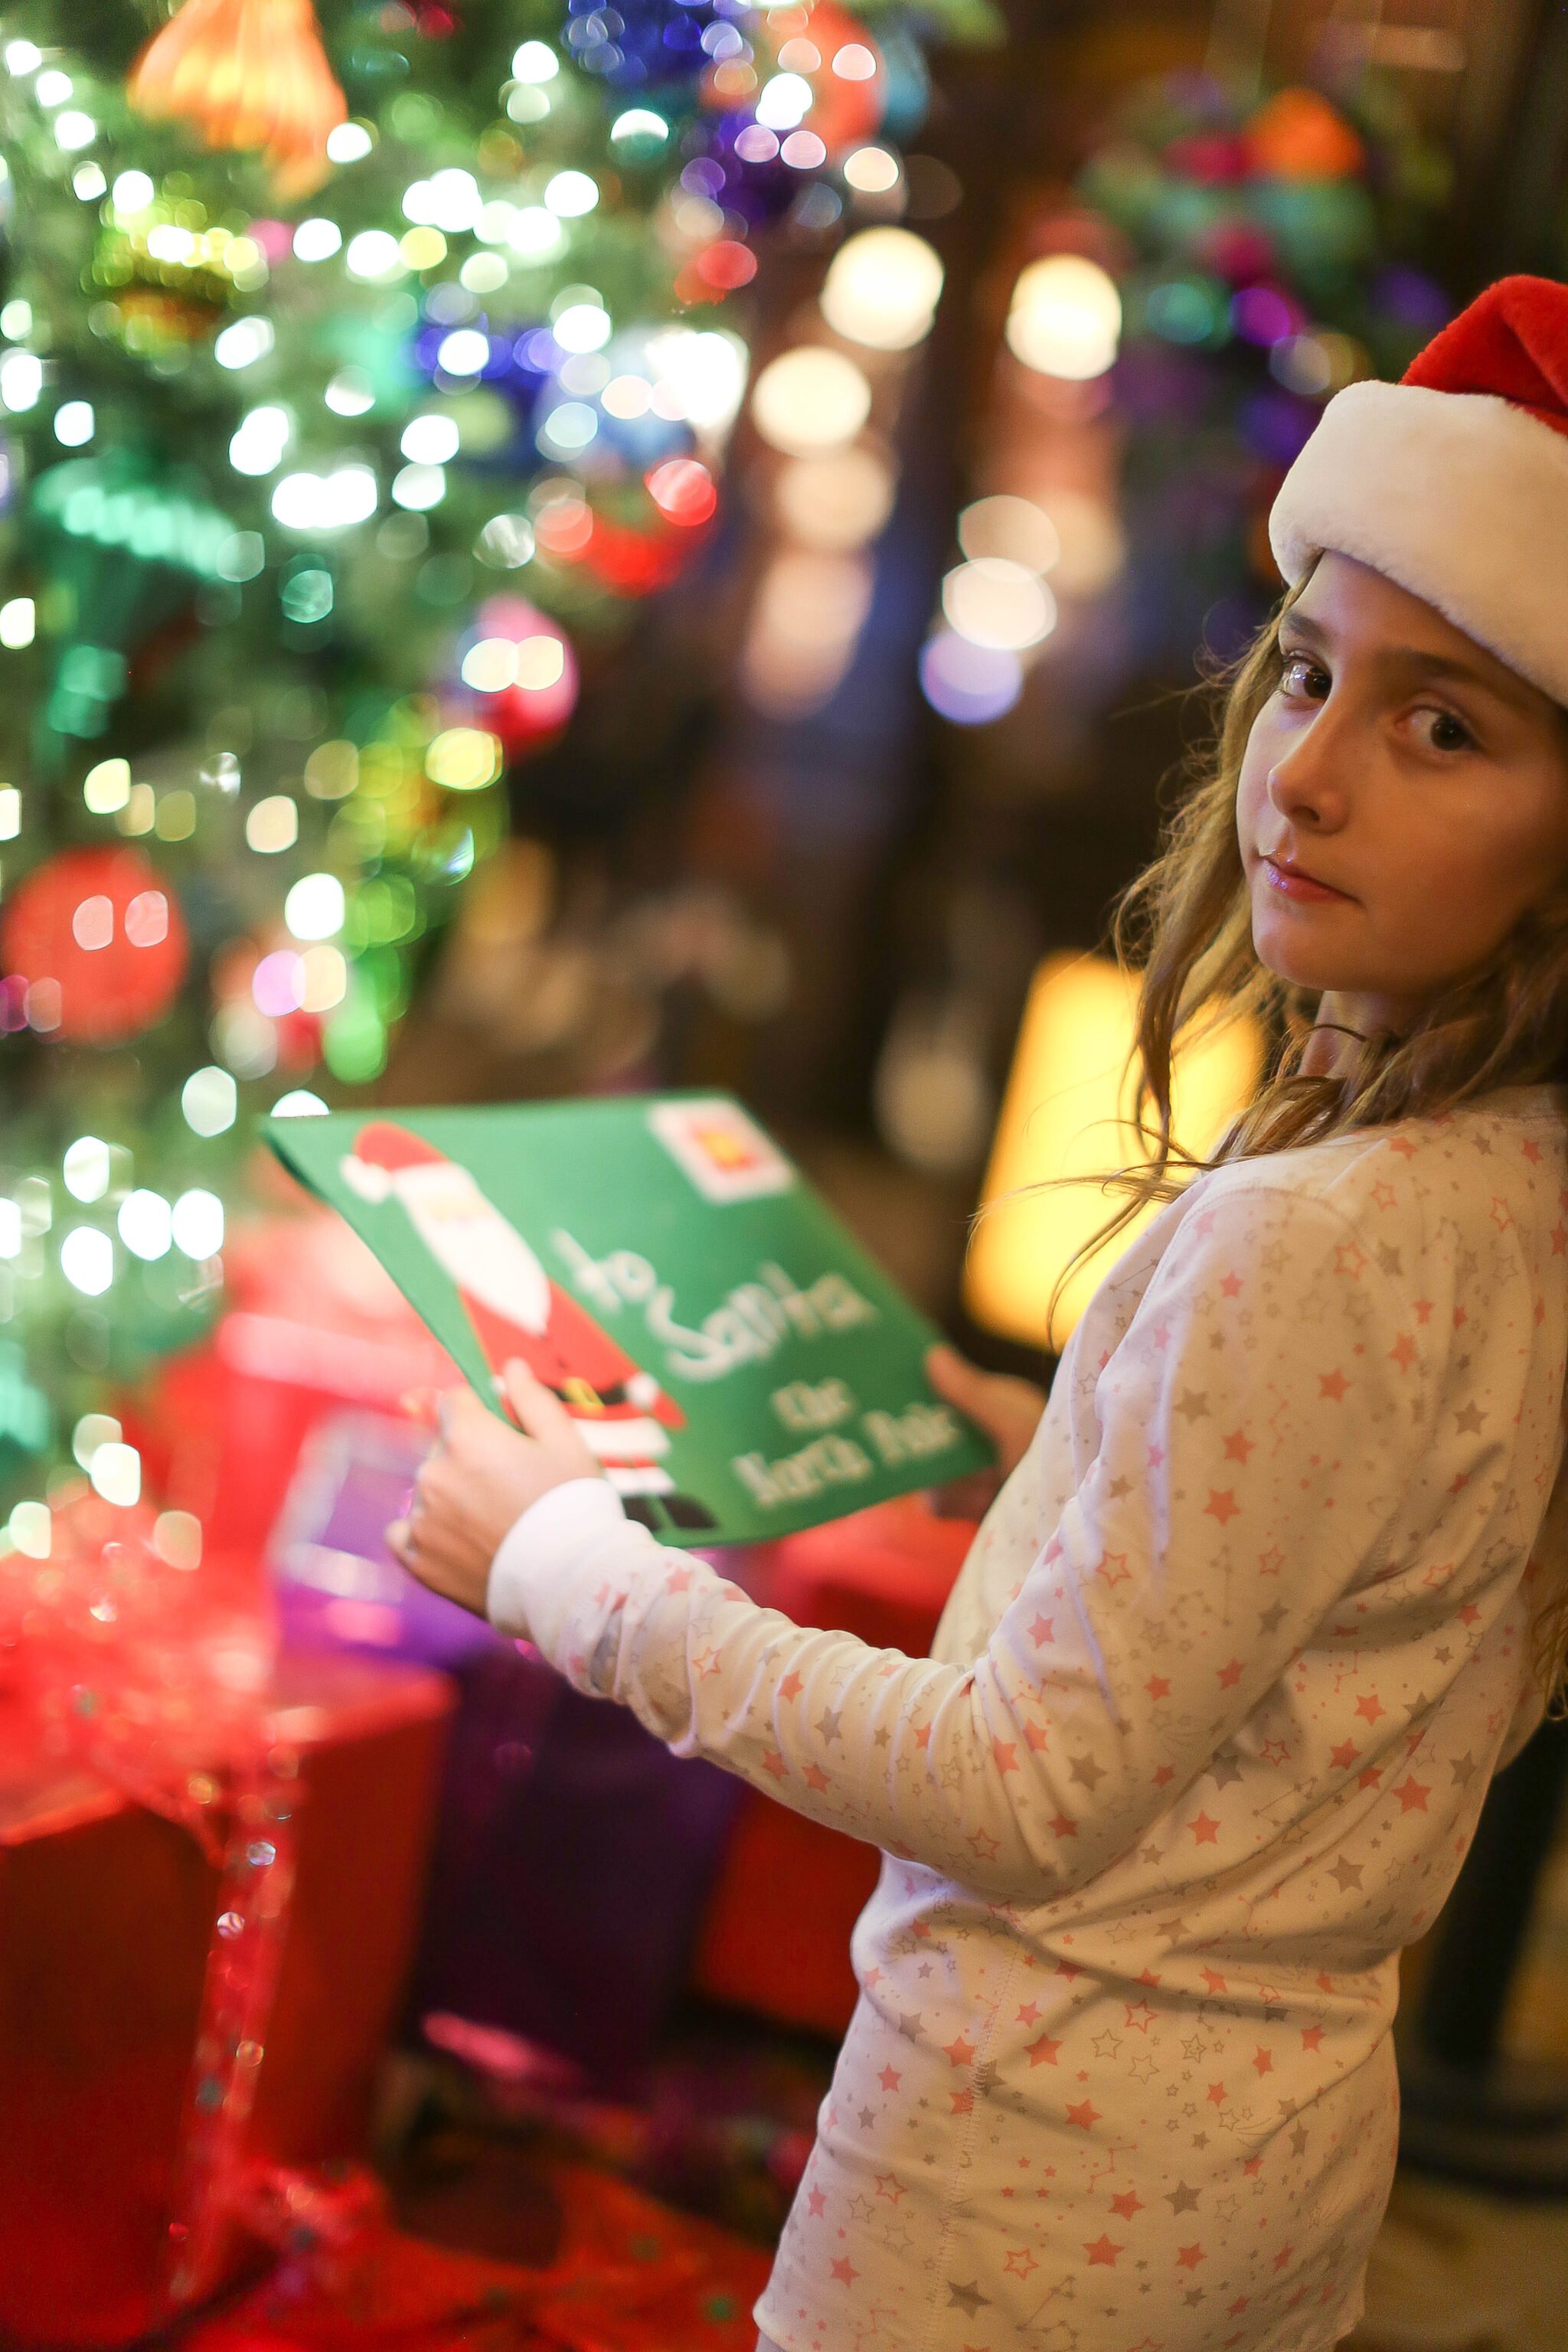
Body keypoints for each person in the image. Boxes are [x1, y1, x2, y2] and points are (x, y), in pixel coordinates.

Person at [386, 274, 1568, 2352]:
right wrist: (1077, 1460)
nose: (1305, 782)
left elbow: (1023, 1792)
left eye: (1444, 722)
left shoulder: (1313, 1235)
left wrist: (574, 1571)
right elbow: (1377, 1589)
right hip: (1277, 2157)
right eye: (1307, 677)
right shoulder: (1515, 1187)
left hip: (1023, 2188)